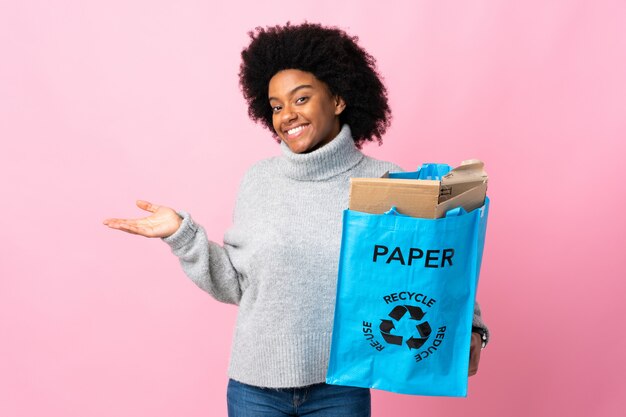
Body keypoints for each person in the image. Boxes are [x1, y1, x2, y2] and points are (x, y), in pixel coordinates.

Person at [103, 22, 489, 417]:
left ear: (338, 99)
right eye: (276, 106)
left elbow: (431, 262)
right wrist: (182, 235)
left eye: (301, 98)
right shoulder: (259, 180)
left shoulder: (384, 180)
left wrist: (470, 326)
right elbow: (237, 286)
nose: (287, 115)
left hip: (341, 386)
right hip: (254, 388)